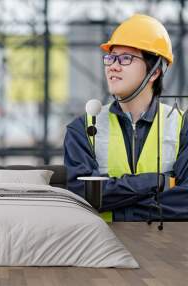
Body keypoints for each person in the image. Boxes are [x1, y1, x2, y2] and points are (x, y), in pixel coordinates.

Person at [63, 14, 188, 221]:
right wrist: (155, 182)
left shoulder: (182, 127)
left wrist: (119, 208)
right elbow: (83, 195)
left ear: (155, 71)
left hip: (166, 250)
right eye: (110, 57)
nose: (112, 66)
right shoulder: (82, 129)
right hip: (103, 249)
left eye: (126, 58)